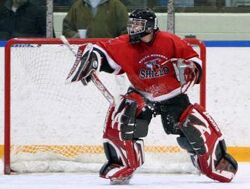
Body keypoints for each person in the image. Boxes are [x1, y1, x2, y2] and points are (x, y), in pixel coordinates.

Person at [66, 8, 238, 184]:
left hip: (172, 95)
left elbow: (193, 58)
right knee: (124, 117)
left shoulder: (169, 40)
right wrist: (93, 59)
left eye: (137, 24)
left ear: (150, 26)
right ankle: (122, 164)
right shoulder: (125, 43)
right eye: (131, 24)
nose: (132, 28)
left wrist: (192, 69)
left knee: (193, 128)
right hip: (142, 94)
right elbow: (101, 50)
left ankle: (212, 161)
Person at [62, 0, 128, 38]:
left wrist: (114, 44)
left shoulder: (116, 6)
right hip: (84, 52)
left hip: (109, 53)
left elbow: (126, 33)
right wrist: (76, 36)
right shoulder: (77, 6)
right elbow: (66, 29)